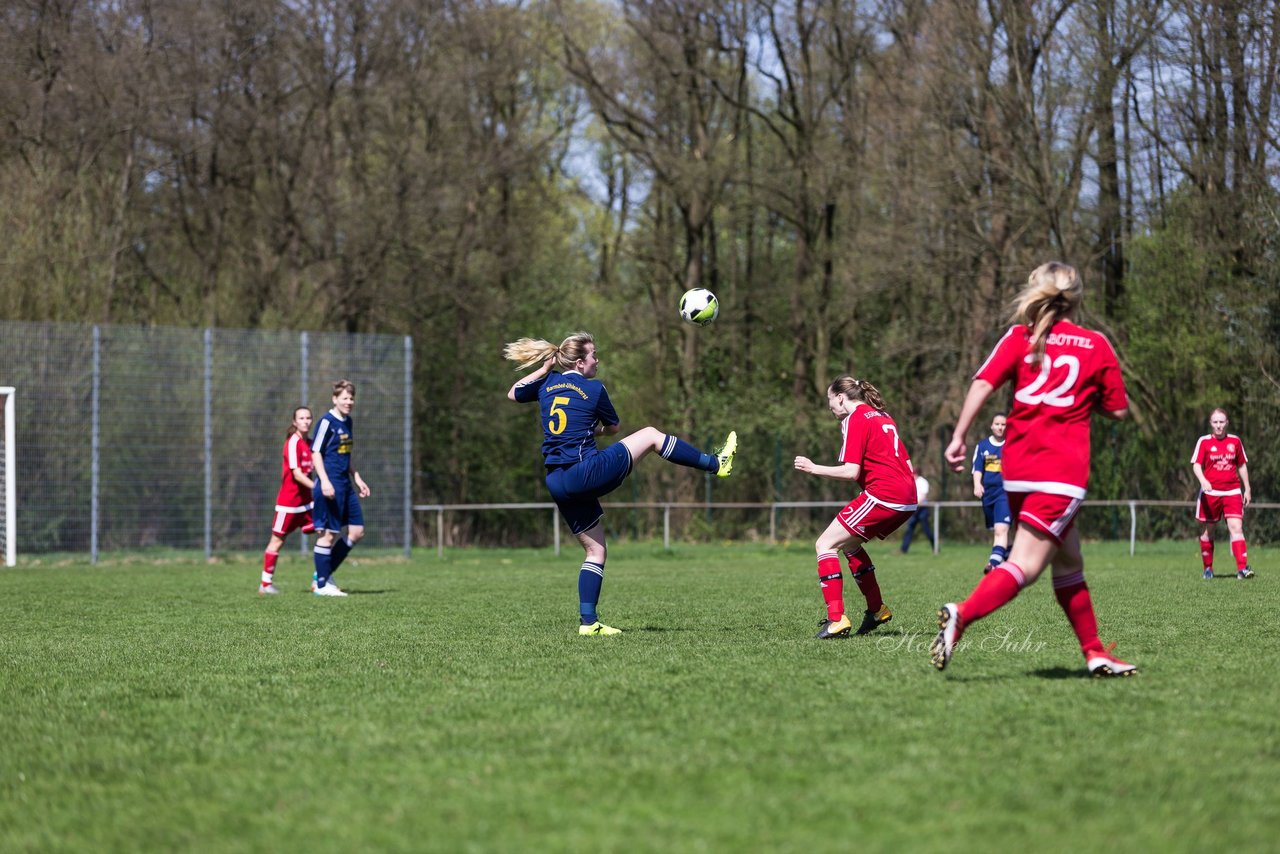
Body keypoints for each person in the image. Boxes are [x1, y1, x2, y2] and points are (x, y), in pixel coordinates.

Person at [934, 261, 1137, 677]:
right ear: (1077, 298)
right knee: (1025, 564)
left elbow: (983, 383)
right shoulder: (1095, 344)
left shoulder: (1019, 338)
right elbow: (1118, 408)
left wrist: (958, 436)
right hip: (1061, 471)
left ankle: (1096, 652)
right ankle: (962, 615)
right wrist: (1087, 398)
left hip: (1018, 466)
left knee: (1068, 561)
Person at [504, 332, 737, 636]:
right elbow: (614, 427)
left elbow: (514, 393)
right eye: (594, 355)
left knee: (596, 552)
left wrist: (546, 369)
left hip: (556, 481)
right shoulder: (593, 388)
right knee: (652, 435)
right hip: (583, 472)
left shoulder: (547, 384)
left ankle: (589, 623)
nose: (597, 361)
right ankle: (715, 464)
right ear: (580, 361)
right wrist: (594, 430)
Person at [794, 376, 917, 639]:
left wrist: (813, 468)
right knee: (849, 545)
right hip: (908, 497)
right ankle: (877, 610)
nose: (830, 408)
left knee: (824, 545)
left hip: (885, 494)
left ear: (840, 397)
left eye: (830, 401)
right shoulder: (882, 415)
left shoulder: (855, 418)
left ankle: (836, 619)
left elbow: (851, 471)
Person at [311, 380, 372, 597]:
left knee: (356, 531)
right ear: (335, 399)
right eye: (345, 398)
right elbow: (315, 452)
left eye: (351, 398)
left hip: (345, 484)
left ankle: (323, 574)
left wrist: (357, 478)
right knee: (329, 534)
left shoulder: (348, 422)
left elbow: (346, 455)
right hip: (331, 484)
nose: (349, 402)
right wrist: (324, 481)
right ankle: (321, 584)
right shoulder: (326, 422)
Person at [259, 406, 316, 594]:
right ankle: (265, 584)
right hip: (289, 504)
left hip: (308, 504)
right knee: (277, 541)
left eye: (308, 418)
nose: (306, 421)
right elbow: (297, 475)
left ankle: (320, 580)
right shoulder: (293, 443)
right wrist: (318, 488)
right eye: (301, 418)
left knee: (327, 533)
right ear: (295, 422)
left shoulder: (312, 444)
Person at [1191, 408, 1254, 580]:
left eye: (1221, 422)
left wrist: (1247, 488)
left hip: (1232, 491)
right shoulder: (1203, 442)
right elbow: (1196, 465)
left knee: (1236, 528)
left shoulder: (1235, 441)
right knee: (1208, 532)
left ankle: (1242, 569)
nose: (1218, 426)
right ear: (1211, 423)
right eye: (1215, 422)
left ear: (1227, 423)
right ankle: (1208, 569)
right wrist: (1203, 480)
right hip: (1210, 493)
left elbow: (1241, 465)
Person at [972, 413, 1011, 574]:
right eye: (997, 424)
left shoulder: (1011, 445)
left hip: (1006, 493)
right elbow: (977, 468)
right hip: (988, 494)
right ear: (991, 426)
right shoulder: (982, 446)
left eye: (1003, 424)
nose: (1000, 427)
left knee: (1000, 530)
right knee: (997, 530)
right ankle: (1010, 556)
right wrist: (977, 485)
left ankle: (993, 564)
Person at [898, 472, 934, 554]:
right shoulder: (911, 481)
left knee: (927, 530)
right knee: (909, 529)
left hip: (922, 509)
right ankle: (903, 550)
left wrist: (916, 504)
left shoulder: (923, 482)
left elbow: (923, 496)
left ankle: (935, 548)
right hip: (914, 509)